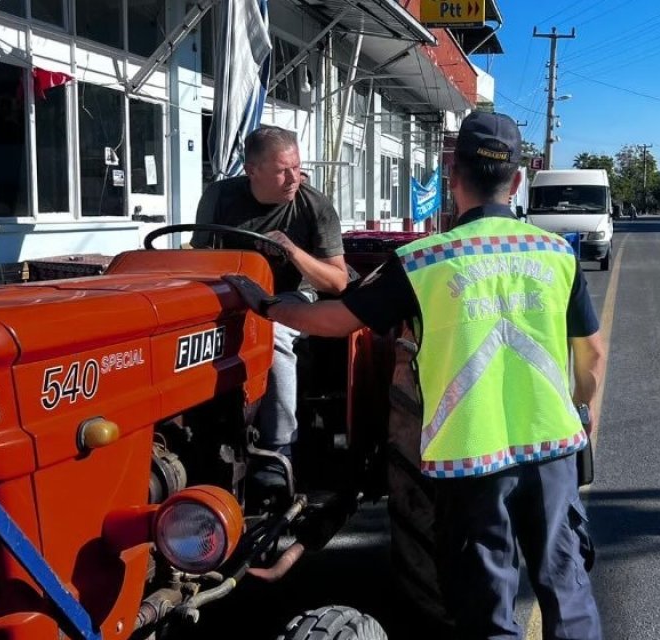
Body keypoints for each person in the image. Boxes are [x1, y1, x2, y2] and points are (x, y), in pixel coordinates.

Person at [224, 112, 605, 640]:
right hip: (553, 452)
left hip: (472, 459)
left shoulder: (428, 260)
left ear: (452, 179)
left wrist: (267, 309)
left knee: (487, 604)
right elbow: (591, 359)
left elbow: (337, 320)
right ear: (516, 181)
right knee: (566, 591)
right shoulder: (557, 253)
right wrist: (578, 411)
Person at [193, 125, 349, 502]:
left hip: (293, 296)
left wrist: (295, 253)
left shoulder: (313, 206)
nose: (294, 177)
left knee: (274, 333)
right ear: (251, 170)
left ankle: (279, 452)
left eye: (296, 167)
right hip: (235, 296)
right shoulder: (218, 197)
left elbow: (338, 282)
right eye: (283, 170)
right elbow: (199, 258)